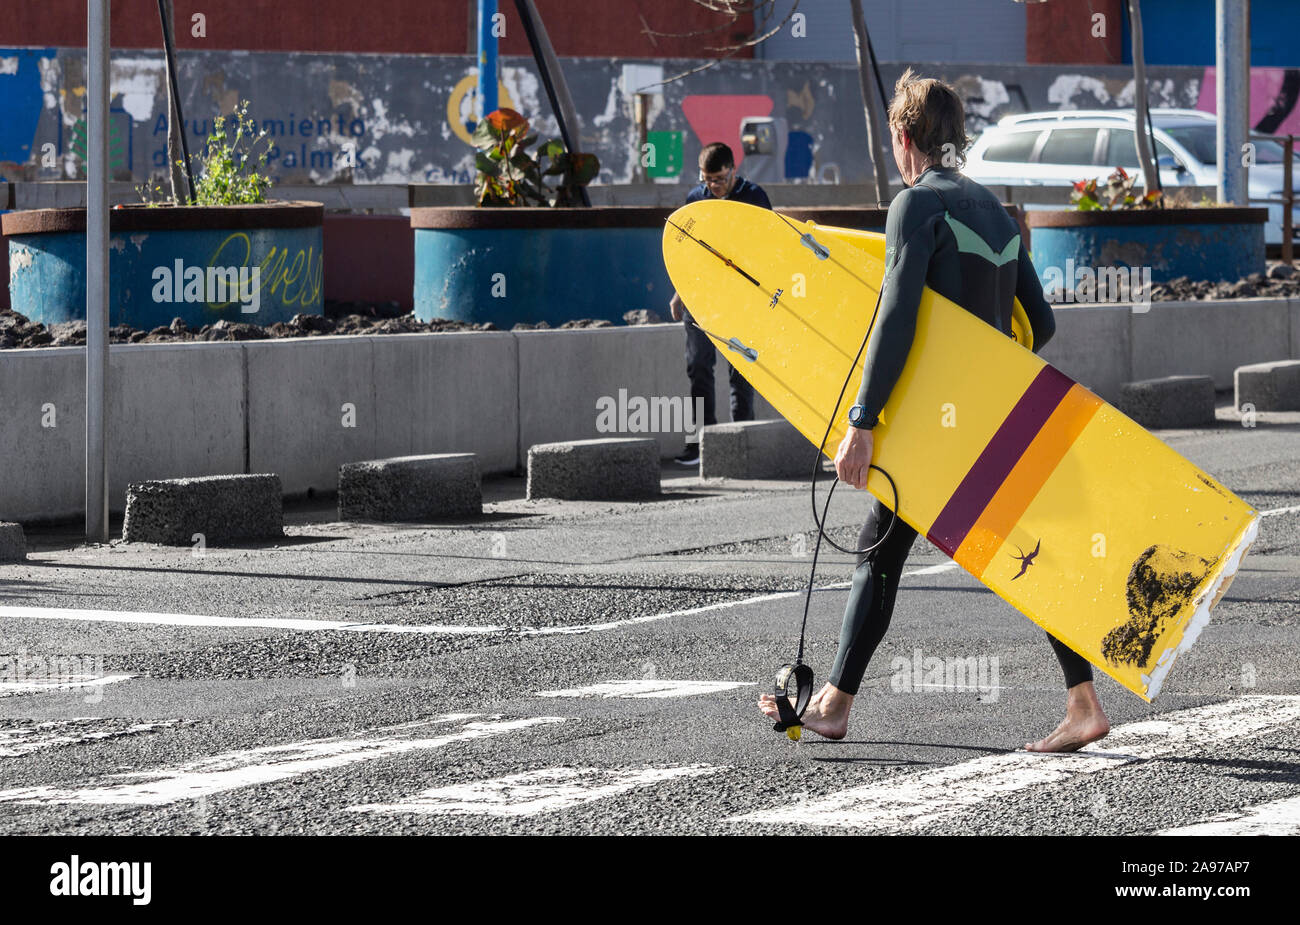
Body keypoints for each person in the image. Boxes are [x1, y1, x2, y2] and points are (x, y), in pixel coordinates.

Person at [758, 70, 1111, 754]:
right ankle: (1082, 701)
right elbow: (1038, 323)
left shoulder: (915, 206)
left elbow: (895, 320)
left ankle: (833, 703)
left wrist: (862, 422)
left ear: (903, 135)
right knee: (1016, 557)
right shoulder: (996, 210)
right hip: (991, 421)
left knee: (880, 552)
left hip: (933, 427)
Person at [668, 142, 772, 466]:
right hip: (701, 296)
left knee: (739, 370)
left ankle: (743, 442)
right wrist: (679, 292)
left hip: (740, 298)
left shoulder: (754, 198)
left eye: (719, 179)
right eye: (707, 179)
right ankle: (701, 442)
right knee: (698, 365)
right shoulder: (695, 199)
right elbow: (686, 252)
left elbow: (769, 247)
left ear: (733, 172)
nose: (713, 186)